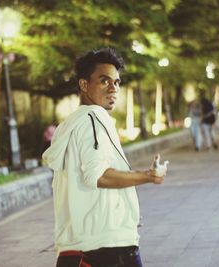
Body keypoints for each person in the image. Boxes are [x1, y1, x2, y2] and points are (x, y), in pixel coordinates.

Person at [42, 48, 165, 267]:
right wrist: (148, 176)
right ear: (83, 85)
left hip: (74, 249)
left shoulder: (68, 125)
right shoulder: (93, 119)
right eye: (104, 81)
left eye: (116, 82)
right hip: (108, 248)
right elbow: (98, 176)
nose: (113, 88)